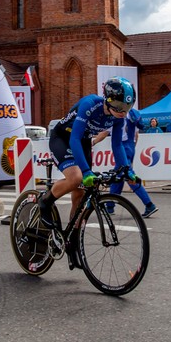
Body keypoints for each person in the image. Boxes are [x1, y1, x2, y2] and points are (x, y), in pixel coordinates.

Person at [37, 77, 138, 269]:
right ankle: (45, 201)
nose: (122, 111)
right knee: (76, 178)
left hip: (83, 142)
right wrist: (85, 170)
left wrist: (126, 169)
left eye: (127, 106)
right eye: (117, 105)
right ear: (107, 99)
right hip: (64, 138)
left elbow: (116, 144)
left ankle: (72, 243)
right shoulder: (90, 104)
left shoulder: (119, 116)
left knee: (81, 194)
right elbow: (74, 138)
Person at [98, 107, 158, 218]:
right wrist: (132, 151)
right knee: (118, 176)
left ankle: (149, 204)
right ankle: (110, 206)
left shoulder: (116, 115)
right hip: (130, 145)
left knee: (128, 176)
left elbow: (104, 133)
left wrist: (93, 142)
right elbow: (136, 135)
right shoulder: (132, 114)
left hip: (121, 147)